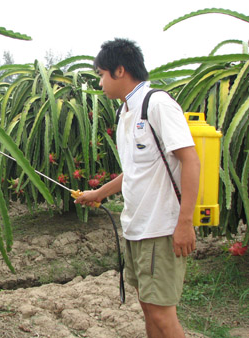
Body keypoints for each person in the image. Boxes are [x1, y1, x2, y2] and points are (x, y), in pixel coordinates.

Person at [74, 38, 200, 338]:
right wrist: (99, 193)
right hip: (136, 227)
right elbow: (134, 171)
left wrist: (184, 223)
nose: (100, 83)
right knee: (147, 306)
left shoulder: (157, 104)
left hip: (162, 229)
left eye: (102, 75)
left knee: (162, 313)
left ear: (120, 71)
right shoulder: (125, 113)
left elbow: (191, 162)